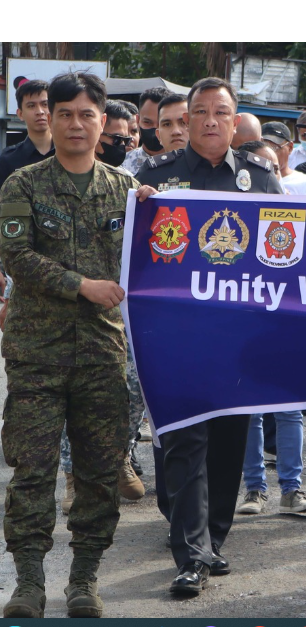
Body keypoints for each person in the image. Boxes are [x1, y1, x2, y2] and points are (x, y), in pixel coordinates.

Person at [0, 71, 145, 619]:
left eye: (88, 114)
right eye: (65, 113)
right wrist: (82, 285)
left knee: (97, 472)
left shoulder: (127, 192)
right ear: (48, 119)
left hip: (102, 356)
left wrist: (160, 213)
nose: (76, 123)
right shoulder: (22, 185)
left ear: (103, 122)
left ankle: (85, 579)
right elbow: (17, 258)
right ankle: (30, 584)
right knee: (32, 472)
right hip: (37, 353)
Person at [136, 77, 282, 597]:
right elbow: (130, 244)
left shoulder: (261, 177)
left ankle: (214, 538)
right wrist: (138, 211)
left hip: (239, 339)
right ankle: (191, 554)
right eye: (201, 112)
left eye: (222, 111)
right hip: (177, 340)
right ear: (186, 120)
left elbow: (287, 255)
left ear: (236, 119)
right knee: (184, 442)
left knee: (227, 445)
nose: (212, 120)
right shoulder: (157, 177)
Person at [0, 80, 54, 188]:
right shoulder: (8, 159)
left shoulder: (69, 153)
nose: (40, 111)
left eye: (45, 104)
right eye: (31, 106)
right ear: (20, 114)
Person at [121, 87, 171, 175]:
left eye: (162, 123)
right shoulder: (122, 165)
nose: (155, 130)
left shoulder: (186, 164)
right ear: (137, 120)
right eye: (147, 122)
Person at [261, 122, 306, 195]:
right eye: (265, 147)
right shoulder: (251, 179)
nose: (270, 153)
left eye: (275, 148)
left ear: (290, 147)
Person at [94, 100, 135, 168]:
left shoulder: (125, 177)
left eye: (126, 140)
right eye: (117, 139)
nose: (122, 145)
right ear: (97, 134)